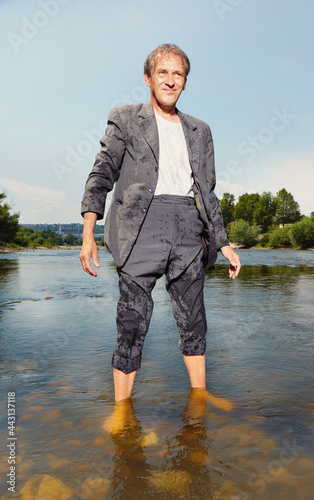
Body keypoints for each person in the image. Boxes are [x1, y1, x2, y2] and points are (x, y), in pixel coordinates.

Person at [79, 43, 241, 403]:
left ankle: (200, 398)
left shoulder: (201, 130)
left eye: (178, 74)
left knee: (193, 318)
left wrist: (222, 241)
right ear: (148, 78)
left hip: (189, 228)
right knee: (132, 320)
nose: (170, 80)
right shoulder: (124, 118)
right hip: (140, 228)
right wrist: (89, 232)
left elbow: (208, 191)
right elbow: (102, 174)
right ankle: (122, 410)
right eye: (163, 73)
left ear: (185, 82)